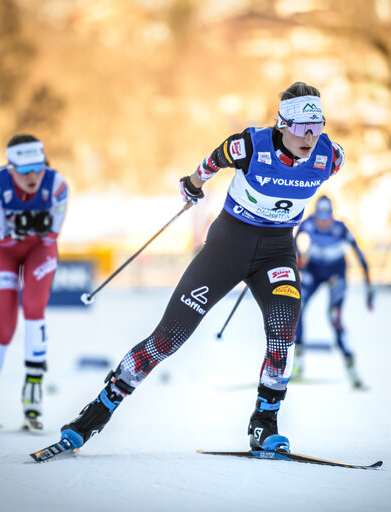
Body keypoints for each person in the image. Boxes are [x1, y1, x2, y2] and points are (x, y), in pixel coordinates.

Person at [55, 82, 345, 454]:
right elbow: (213, 160)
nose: (310, 136)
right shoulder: (251, 145)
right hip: (229, 246)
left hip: (277, 253)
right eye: (302, 127)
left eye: (317, 126)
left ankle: (264, 423)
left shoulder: (331, 156)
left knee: (283, 331)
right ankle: (96, 412)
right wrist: (193, 185)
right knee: (168, 339)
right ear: (282, 124)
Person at [0, 134, 68, 431]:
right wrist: (26, 223)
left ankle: (33, 388)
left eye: (38, 168)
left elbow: (51, 236)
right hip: (4, 254)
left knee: (33, 309)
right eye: (24, 170)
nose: (32, 176)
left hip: (38, 252)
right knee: (3, 328)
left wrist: (31, 225)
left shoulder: (57, 185)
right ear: (11, 167)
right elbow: (3, 237)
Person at [292, 195, 373, 388]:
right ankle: (297, 363)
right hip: (313, 270)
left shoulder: (340, 228)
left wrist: (369, 288)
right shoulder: (308, 223)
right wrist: (299, 257)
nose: (323, 220)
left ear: (332, 214)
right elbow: (293, 239)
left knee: (334, 318)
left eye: (327, 215)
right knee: (297, 308)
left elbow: (359, 254)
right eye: (320, 215)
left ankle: (351, 367)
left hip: (336, 274)